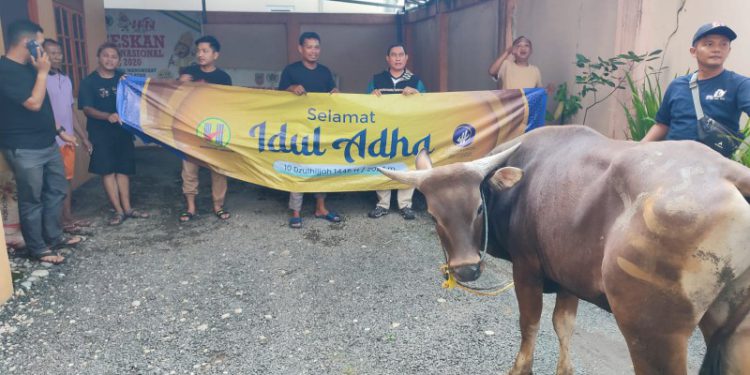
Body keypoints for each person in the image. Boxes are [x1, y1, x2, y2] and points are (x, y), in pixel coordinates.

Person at [0, 20, 84, 264]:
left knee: (56, 190)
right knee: (32, 199)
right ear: (29, 42)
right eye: (41, 42)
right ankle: (38, 249)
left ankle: (54, 236)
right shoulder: (5, 70)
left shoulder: (31, 68)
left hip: (48, 142)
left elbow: (43, 110)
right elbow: (33, 103)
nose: (45, 52)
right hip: (24, 148)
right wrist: (43, 73)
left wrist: (59, 131)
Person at [643, 22, 750, 146]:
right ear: (694, 51)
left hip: (714, 162)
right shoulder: (677, 85)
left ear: (729, 50)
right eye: (709, 44)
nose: (717, 49)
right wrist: (638, 148)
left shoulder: (740, 84)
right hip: (671, 158)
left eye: (723, 44)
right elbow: (662, 125)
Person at [78, 42, 149, 226]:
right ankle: (117, 211)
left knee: (123, 170)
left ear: (119, 60)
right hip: (100, 133)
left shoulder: (123, 78)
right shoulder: (89, 82)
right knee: (107, 171)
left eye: (114, 57)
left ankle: (128, 208)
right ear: (98, 57)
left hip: (122, 132)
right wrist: (107, 116)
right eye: (106, 55)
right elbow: (86, 109)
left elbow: (136, 98)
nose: (110, 59)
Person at [278, 32, 342, 229]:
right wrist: (291, 88)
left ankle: (320, 207)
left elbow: (334, 93)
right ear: (300, 49)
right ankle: (295, 211)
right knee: (299, 167)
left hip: (321, 129)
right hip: (298, 128)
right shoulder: (290, 71)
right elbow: (277, 95)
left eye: (317, 47)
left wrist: (336, 92)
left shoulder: (325, 71)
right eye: (309, 47)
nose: (313, 51)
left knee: (321, 167)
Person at [366, 44, 425, 220]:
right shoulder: (377, 79)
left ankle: (405, 205)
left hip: (407, 130)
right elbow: (364, 104)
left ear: (406, 58)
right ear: (388, 58)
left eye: (401, 55)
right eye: (394, 55)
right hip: (383, 131)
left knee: (407, 164)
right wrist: (371, 95)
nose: (398, 58)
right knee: (382, 163)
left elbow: (428, 104)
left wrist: (417, 94)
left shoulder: (416, 81)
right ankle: (382, 204)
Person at [177, 35, 232, 222]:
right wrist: (182, 84)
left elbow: (228, 103)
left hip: (215, 129)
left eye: (205, 51)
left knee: (218, 169)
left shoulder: (223, 77)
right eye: (198, 51)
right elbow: (174, 95)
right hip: (189, 127)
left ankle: (218, 205)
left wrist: (204, 88)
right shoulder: (189, 71)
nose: (200, 55)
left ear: (215, 54)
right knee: (189, 169)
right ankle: (190, 207)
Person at [43, 38, 92, 233]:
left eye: (59, 53)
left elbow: (70, 112)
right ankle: (58, 223)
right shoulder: (40, 80)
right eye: (51, 53)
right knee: (53, 183)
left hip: (68, 139)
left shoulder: (66, 79)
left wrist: (84, 136)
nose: (57, 56)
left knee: (67, 180)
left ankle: (68, 216)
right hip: (50, 140)